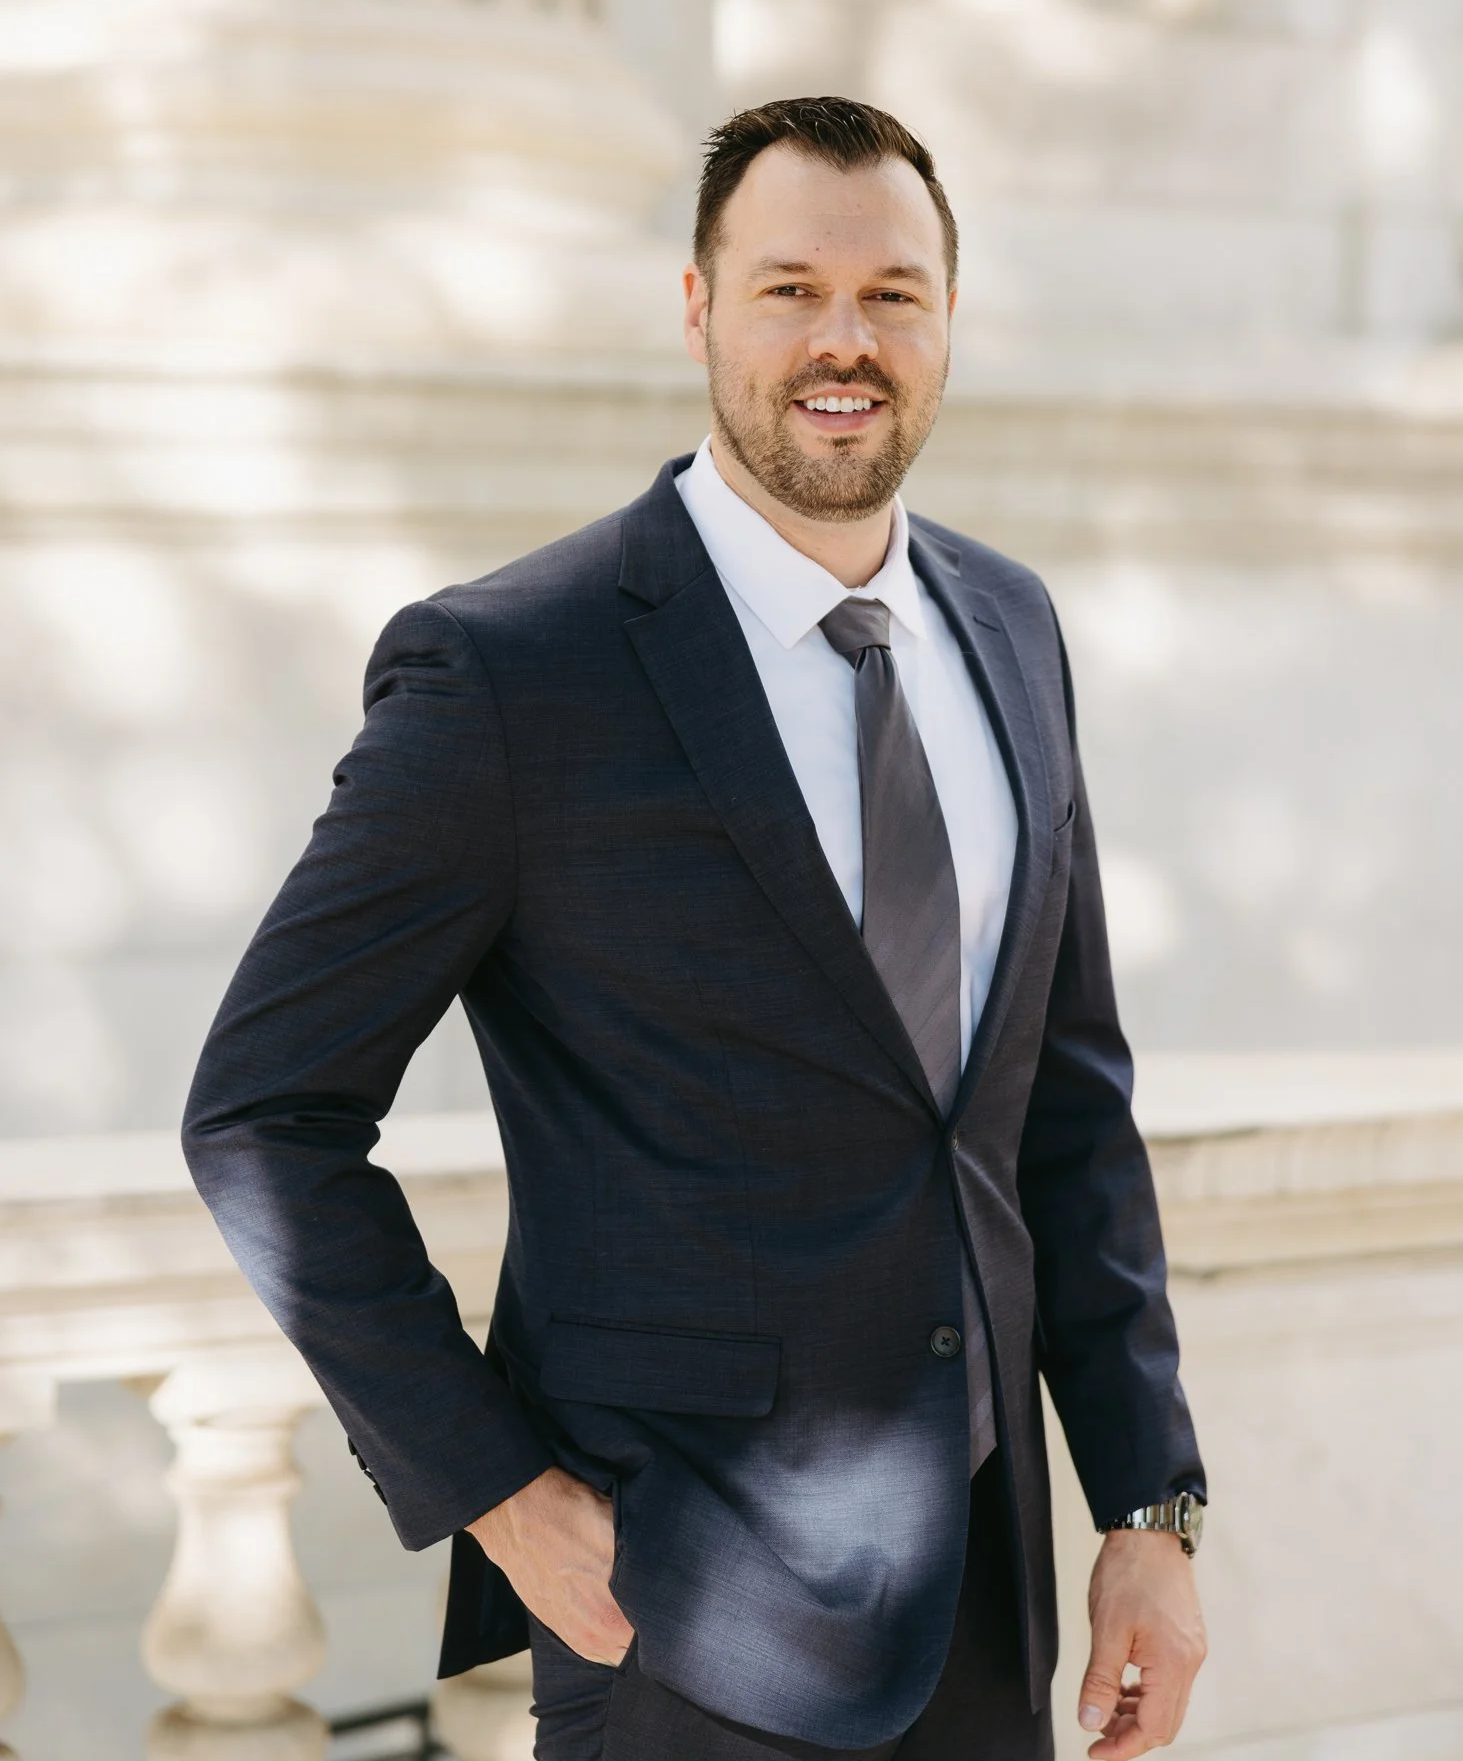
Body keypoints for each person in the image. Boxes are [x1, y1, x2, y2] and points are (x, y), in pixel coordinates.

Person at [184, 97, 1207, 1761]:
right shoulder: (512, 671)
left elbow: (1065, 1108)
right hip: (682, 1617)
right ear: (695, 309)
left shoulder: (1012, 627)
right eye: (788, 285)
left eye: (893, 294)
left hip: (992, 1598)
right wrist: (501, 1495)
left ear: (948, 318)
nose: (842, 339)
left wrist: (1146, 1510)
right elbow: (261, 1116)